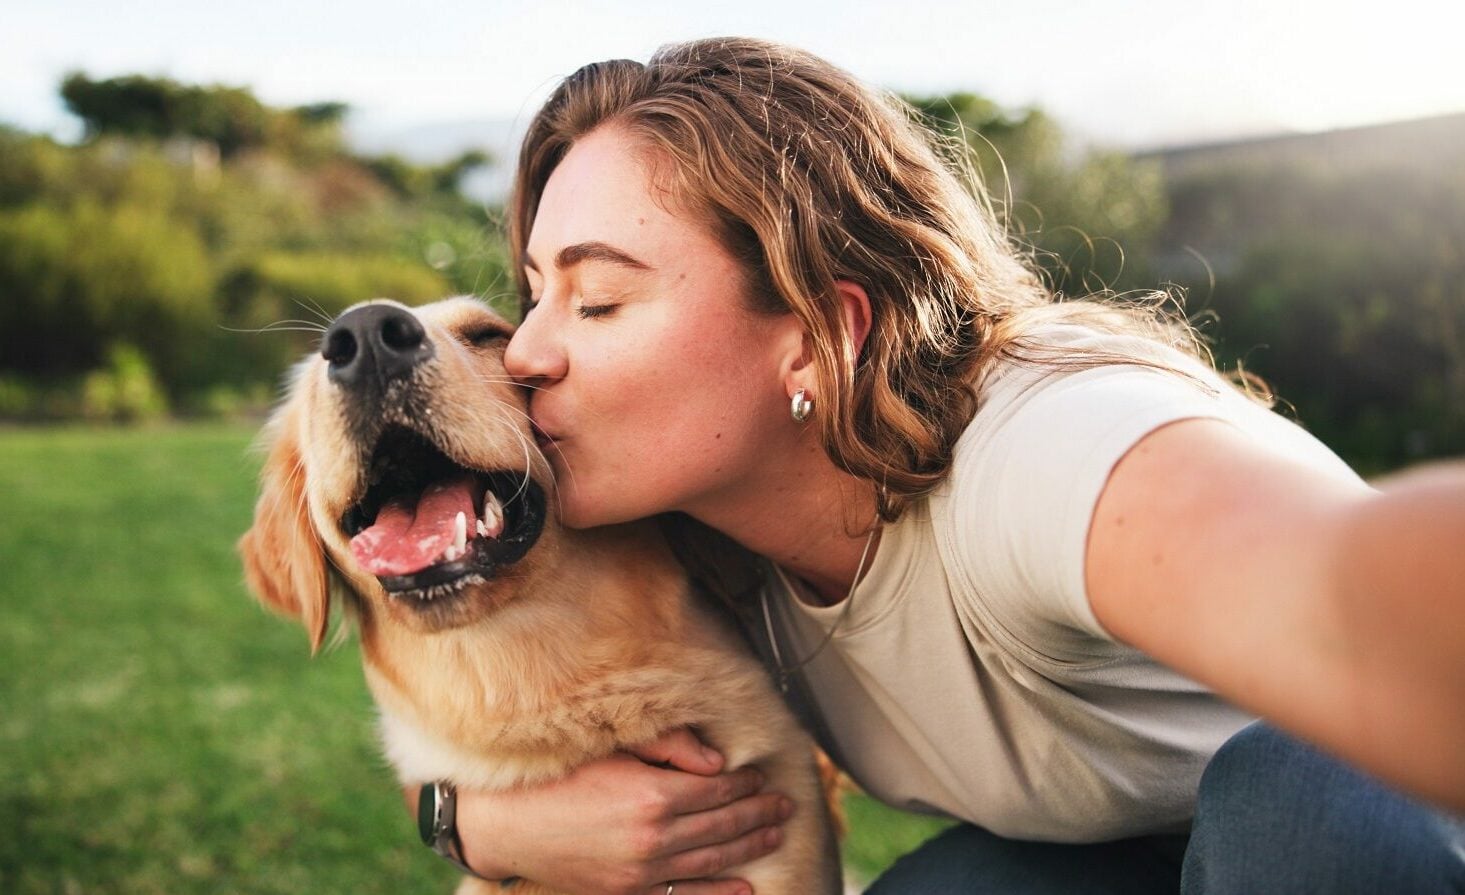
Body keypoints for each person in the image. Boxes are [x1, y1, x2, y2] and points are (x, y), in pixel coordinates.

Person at [419, 38, 1465, 894]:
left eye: (596, 300)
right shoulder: (692, 534)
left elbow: (1346, 588)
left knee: (1304, 792)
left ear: (817, 333)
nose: (525, 351)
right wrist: (471, 820)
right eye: (535, 291)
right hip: (1116, 853)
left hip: (1379, 822)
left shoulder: (1045, 450)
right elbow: (514, 699)